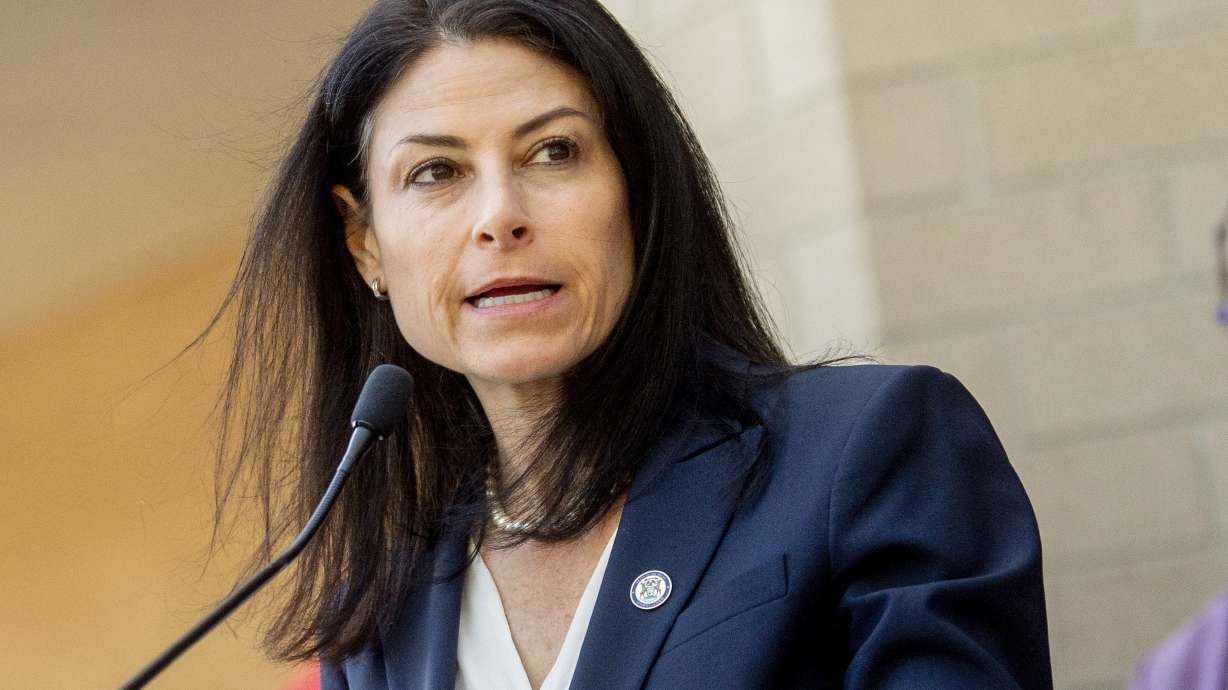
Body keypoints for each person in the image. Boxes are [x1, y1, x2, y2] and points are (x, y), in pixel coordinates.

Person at [208, 1, 1052, 687]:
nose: (499, 216)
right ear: (364, 244)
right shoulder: (380, 618)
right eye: (436, 172)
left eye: (553, 152)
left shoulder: (869, 446)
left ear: (636, 189)